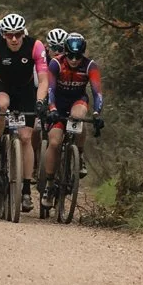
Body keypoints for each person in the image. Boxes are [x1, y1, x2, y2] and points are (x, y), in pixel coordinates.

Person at [0, 11, 49, 210]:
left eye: (18, 34)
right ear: (3, 35)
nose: (14, 39)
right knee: (1, 105)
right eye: (10, 35)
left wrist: (40, 102)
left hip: (25, 90)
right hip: (2, 86)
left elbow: (44, 80)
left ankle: (26, 190)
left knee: (26, 138)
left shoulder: (35, 46)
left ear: (23, 33)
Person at [42, 30, 103, 197]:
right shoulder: (56, 63)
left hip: (78, 100)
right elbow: (50, 89)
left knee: (78, 117)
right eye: (70, 56)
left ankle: (79, 155)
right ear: (65, 52)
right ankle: (49, 183)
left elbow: (97, 92)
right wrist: (52, 109)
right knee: (54, 142)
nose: (74, 60)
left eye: (78, 56)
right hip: (58, 103)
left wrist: (97, 113)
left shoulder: (90, 66)